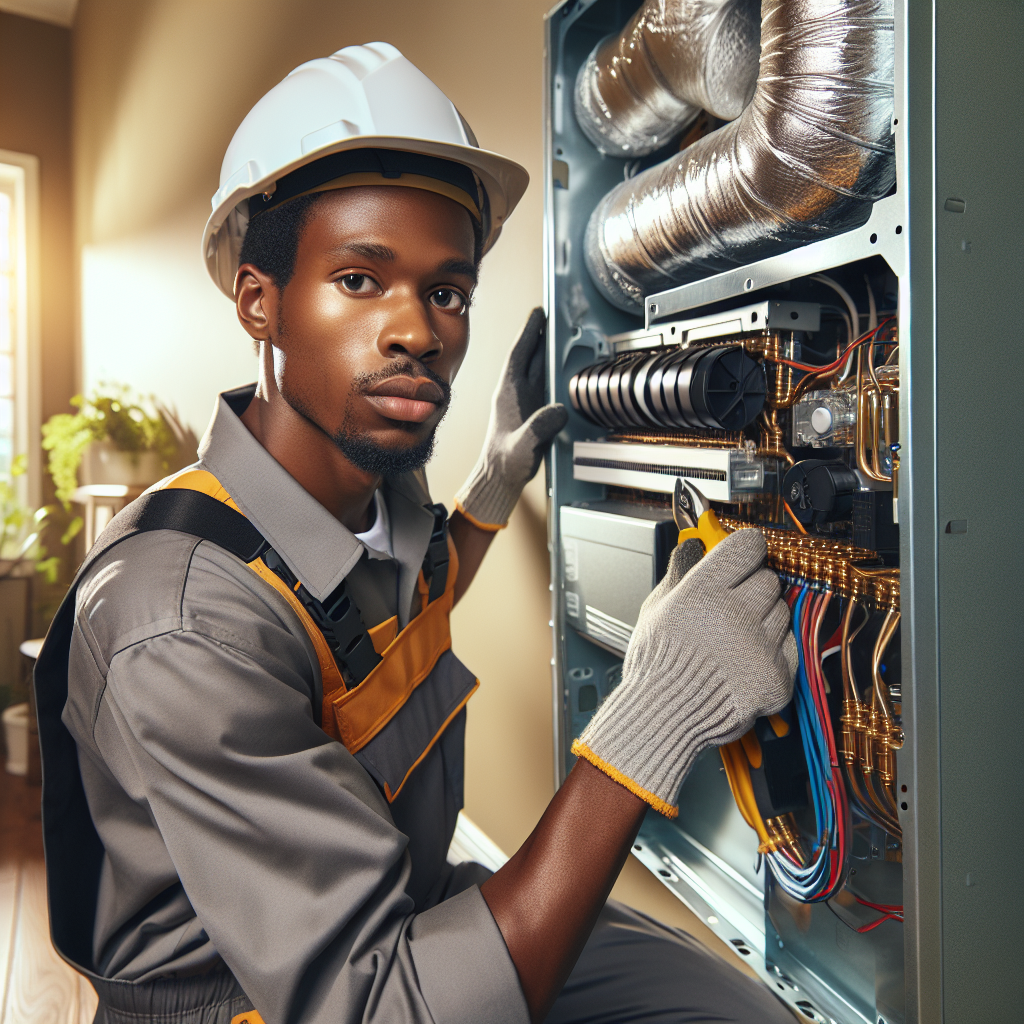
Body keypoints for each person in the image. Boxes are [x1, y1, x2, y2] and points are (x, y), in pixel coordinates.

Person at [35, 43, 798, 1024]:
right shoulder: (180, 619)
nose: (418, 333)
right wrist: (651, 717)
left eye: (446, 292)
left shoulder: (372, 485)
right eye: (359, 280)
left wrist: (493, 481)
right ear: (259, 301)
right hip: (260, 997)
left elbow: (393, 609)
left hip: (399, 894)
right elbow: (378, 1004)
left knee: (731, 1007)